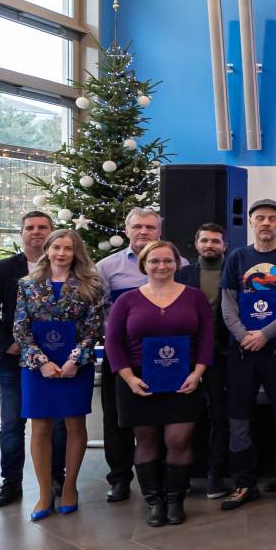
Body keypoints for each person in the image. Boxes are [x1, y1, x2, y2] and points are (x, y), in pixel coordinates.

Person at [106, 240, 213, 528]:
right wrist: (129, 378)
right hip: (139, 381)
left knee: (179, 439)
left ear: (177, 264)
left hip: (184, 378)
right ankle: (154, 501)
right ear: (144, 264)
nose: (161, 266)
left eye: (167, 260)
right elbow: (113, 342)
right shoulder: (127, 300)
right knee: (146, 440)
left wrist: (197, 373)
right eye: (154, 261)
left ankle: (175, 499)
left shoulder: (195, 297)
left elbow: (206, 338)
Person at [217, 198, 276, 510]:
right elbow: (228, 303)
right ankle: (244, 483)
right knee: (239, 420)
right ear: (251, 222)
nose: (266, 223)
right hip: (242, 352)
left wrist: (265, 334)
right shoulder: (237, 257)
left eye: (272, 218)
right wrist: (245, 336)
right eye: (260, 218)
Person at [11, 228, 106, 521]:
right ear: (47, 250)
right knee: (40, 426)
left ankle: (69, 487)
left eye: (68, 248)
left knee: (75, 424)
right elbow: (20, 327)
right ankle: (43, 493)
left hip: (75, 365)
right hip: (37, 367)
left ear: (76, 252)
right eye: (56, 247)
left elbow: (94, 329)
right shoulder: (27, 284)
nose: (61, 253)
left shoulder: (91, 285)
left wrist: (75, 360)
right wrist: (41, 362)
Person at [0, 209, 55, 509]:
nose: (36, 232)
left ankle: (55, 480)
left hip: (56, 361)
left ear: (52, 231)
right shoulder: (5, 268)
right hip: (14, 361)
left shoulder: (64, 266)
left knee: (57, 423)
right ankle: (11, 483)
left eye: (42, 227)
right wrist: (6, 343)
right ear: (22, 233)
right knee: (11, 425)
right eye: (30, 227)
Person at [95, 207, 176, 501]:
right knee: (117, 417)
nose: (144, 232)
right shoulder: (107, 267)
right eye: (138, 226)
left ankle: (162, 477)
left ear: (159, 231)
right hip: (122, 353)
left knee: (165, 415)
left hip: (168, 355)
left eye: (150, 227)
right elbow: (97, 311)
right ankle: (119, 478)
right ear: (126, 230)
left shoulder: (176, 263)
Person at [178, 224, 232, 499]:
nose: (210, 245)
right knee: (185, 416)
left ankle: (216, 476)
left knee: (219, 416)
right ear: (197, 243)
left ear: (224, 245)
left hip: (223, 354)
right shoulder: (183, 274)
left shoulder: (233, 271)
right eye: (205, 240)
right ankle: (183, 475)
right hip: (187, 354)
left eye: (216, 241)